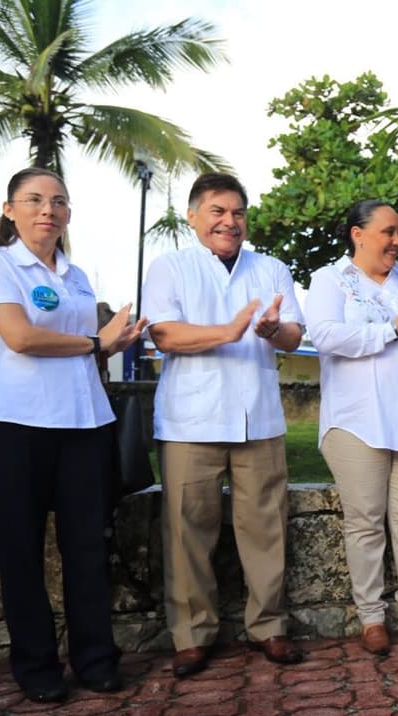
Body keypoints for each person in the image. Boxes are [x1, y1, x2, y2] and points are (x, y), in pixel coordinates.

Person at [0, 167, 145, 702]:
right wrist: (94, 343)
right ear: (9, 210)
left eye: (59, 201)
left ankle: (95, 660)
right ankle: (37, 667)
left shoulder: (76, 275)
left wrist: (113, 344)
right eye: (34, 200)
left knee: (87, 548)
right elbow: (19, 336)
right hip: (17, 426)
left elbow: (85, 344)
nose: (48, 210)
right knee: (19, 551)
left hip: (83, 423)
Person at [141, 173, 306, 678]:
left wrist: (272, 329)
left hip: (258, 416)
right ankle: (192, 635)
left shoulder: (271, 268)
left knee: (266, 526)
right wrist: (230, 330)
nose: (229, 222)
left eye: (237, 213)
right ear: (193, 217)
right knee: (188, 530)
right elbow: (165, 334)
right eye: (216, 211)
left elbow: (295, 336)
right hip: (191, 419)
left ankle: (270, 626)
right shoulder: (170, 267)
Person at [303, 200, 398, 656]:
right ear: (358, 234)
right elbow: (326, 336)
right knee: (366, 524)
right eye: (389, 232)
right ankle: (372, 618)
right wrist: (393, 328)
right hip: (356, 423)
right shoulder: (330, 281)